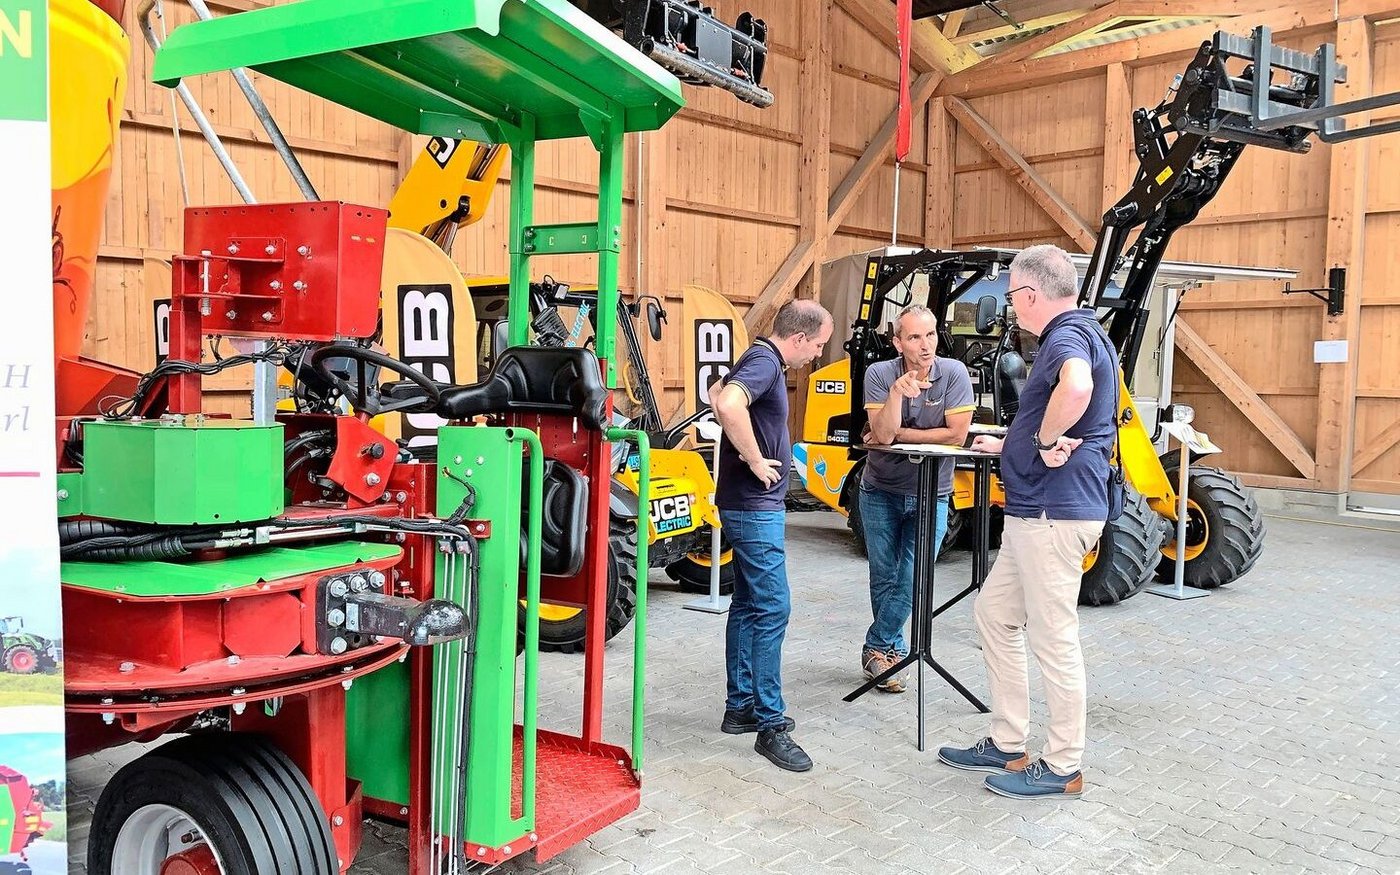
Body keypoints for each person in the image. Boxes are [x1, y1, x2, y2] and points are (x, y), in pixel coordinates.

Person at [938, 244, 1119, 799]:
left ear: (1031, 294)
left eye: (1013, 295)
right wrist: (1013, 442)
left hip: (1051, 513)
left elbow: (1077, 388)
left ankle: (1063, 765)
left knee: (1053, 637)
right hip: (1035, 512)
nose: (1012, 306)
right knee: (995, 614)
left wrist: (1040, 440)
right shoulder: (1086, 330)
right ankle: (1008, 741)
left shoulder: (1064, 337)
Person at [708, 298, 833, 772]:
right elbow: (727, 402)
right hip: (753, 508)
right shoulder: (764, 361)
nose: (817, 355)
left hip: (746, 506)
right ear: (799, 337)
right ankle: (770, 724)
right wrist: (755, 458)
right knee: (773, 607)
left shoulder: (759, 358)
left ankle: (740, 706)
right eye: (817, 345)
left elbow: (718, 391)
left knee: (747, 604)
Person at [858, 305, 975, 693]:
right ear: (898, 342)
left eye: (930, 335)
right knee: (884, 576)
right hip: (880, 490)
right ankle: (889, 657)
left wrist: (899, 435)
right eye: (913, 337)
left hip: (931, 492)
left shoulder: (953, 373)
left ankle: (876, 645)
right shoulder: (880, 374)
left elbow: (956, 435)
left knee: (914, 574)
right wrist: (895, 395)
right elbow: (883, 434)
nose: (925, 345)